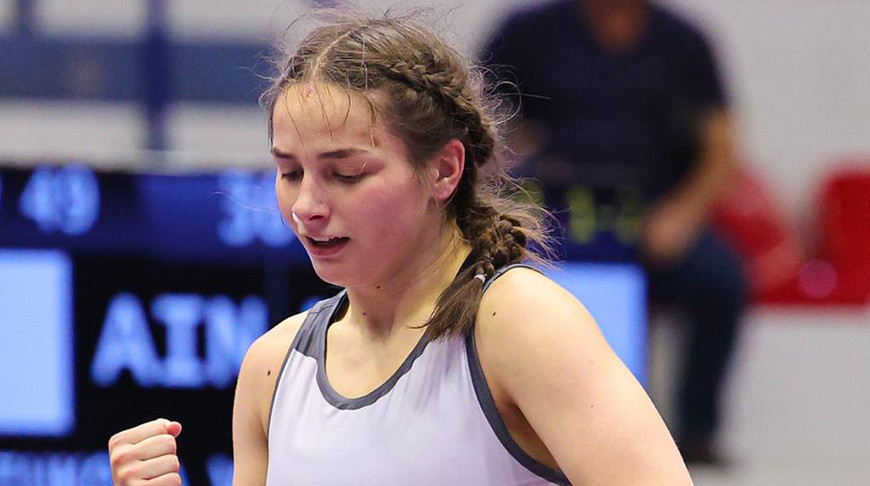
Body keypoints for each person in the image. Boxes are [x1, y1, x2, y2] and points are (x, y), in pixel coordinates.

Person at [107, 14, 693, 485]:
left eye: (346, 174)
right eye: (289, 172)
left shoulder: (520, 323)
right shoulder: (272, 366)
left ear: (444, 170)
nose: (307, 205)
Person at [481, 0, 746, 464]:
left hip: (650, 216)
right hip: (545, 217)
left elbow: (721, 151)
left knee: (721, 280)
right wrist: (512, 161)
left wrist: (680, 216)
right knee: (477, 276)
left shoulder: (684, 42)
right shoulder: (527, 31)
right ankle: (504, 428)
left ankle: (695, 434)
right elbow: (474, 126)